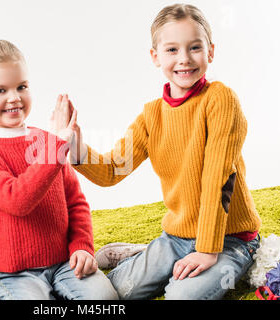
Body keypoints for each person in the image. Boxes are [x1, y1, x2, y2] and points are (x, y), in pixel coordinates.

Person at [57, 4, 262, 300]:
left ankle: (159, 258)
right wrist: (75, 146)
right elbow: (113, 169)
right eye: (171, 50)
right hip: (176, 238)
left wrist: (206, 250)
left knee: (180, 296)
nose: (184, 59)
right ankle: (143, 255)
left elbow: (219, 178)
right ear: (155, 57)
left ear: (211, 51)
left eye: (194, 47)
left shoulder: (220, 99)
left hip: (230, 239)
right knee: (112, 292)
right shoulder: (152, 115)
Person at [0, 40, 118, 300]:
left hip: (65, 262)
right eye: (0, 90)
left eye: (22, 87)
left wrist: (82, 247)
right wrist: (57, 145)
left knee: (105, 300)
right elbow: (18, 200)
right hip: (16, 272)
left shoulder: (48, 139)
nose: (14, 97)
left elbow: (75, 202)